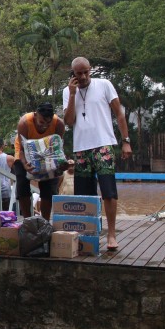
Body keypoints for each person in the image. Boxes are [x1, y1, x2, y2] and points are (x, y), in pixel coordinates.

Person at [63, 56, 132, 251]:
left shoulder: (104, 85)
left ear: (90, 70)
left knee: (109, 192)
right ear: (73, 74)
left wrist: (125, 141)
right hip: (81, 149)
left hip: (104, 145)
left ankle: (111, 234)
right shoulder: (68, 92)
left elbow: (119, 113)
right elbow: (69, 121)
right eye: (79, 73)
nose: (83, 76)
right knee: (84, 195)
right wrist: (72, 94)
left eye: (86, 72)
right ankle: (89, 234)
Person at [12, 102, 66, 220]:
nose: (45, 126)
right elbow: (21, 150)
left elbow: (58, 150)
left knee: (49, 185)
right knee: (22, 182)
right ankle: (27, 219)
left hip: (48, 152)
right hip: (25, 152)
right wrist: (25, 165)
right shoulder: (24, 123)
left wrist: (61, 165)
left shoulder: (59, 124)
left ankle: (45, 220)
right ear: (36, 115)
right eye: (41, 122)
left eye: (48, 123)